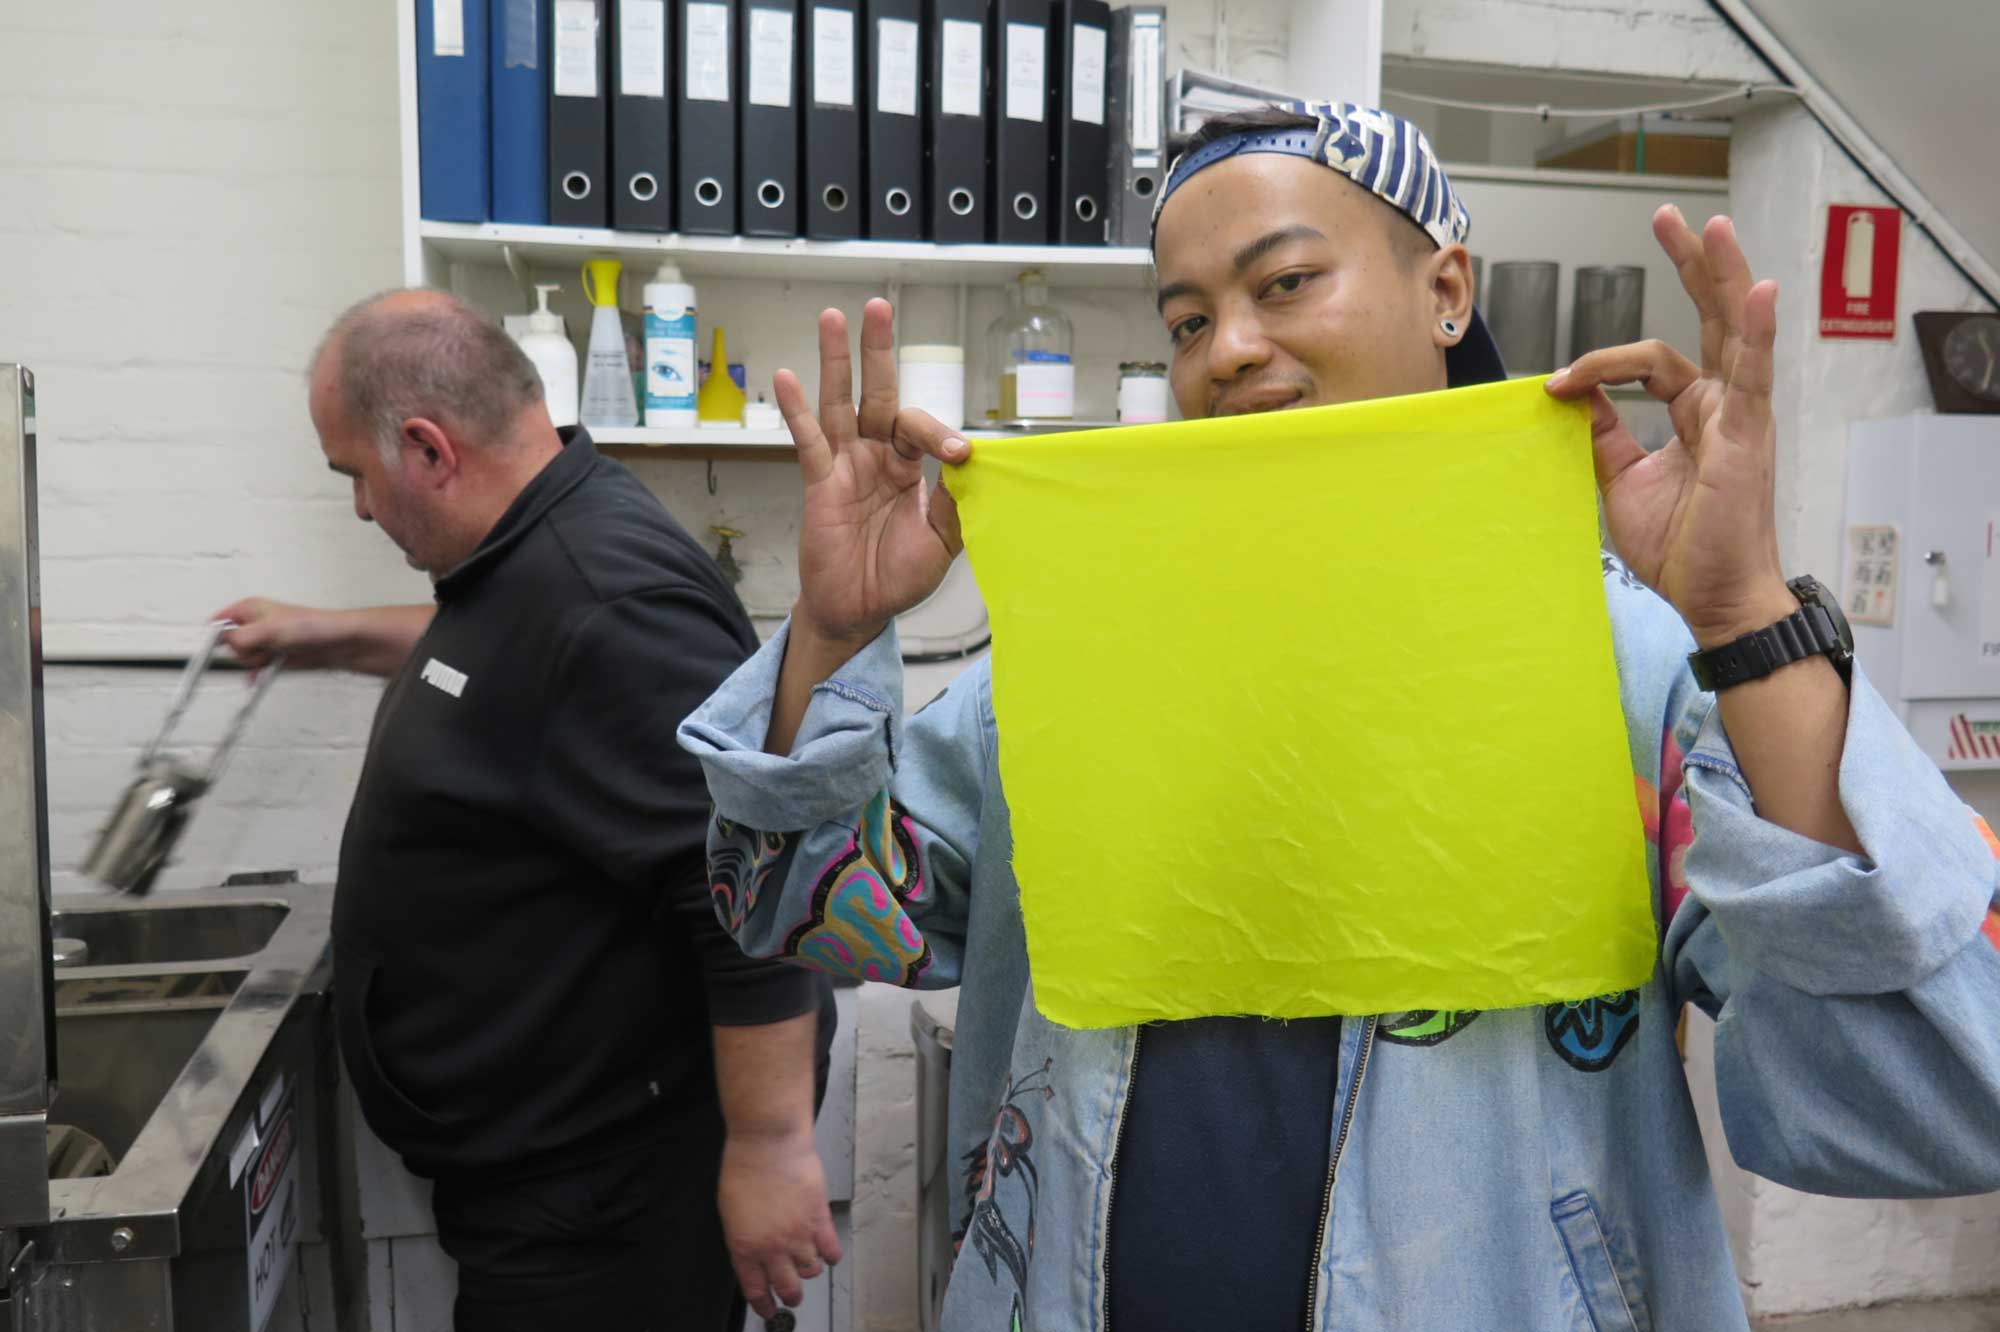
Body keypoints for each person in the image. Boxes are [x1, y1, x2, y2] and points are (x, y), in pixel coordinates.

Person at [678, 103, 2000, 1330]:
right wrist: (834, 638)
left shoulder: (1622, 662)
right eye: (1188, 320)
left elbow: (1925, 1102)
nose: (1229, 350)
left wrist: (1747, 619)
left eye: (1284, 282)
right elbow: (818, 911)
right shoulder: (1094, 653)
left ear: (1445, 290)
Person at [220, 290, 842, 1331]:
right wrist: (324, 634)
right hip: (548, 1186)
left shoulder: (608, 600)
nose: (363, 510)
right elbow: (505, 653)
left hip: (604, 1208)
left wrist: (769, 1151)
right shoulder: (527, 553)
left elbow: (746, 887)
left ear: (426, 449)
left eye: (356, 478)